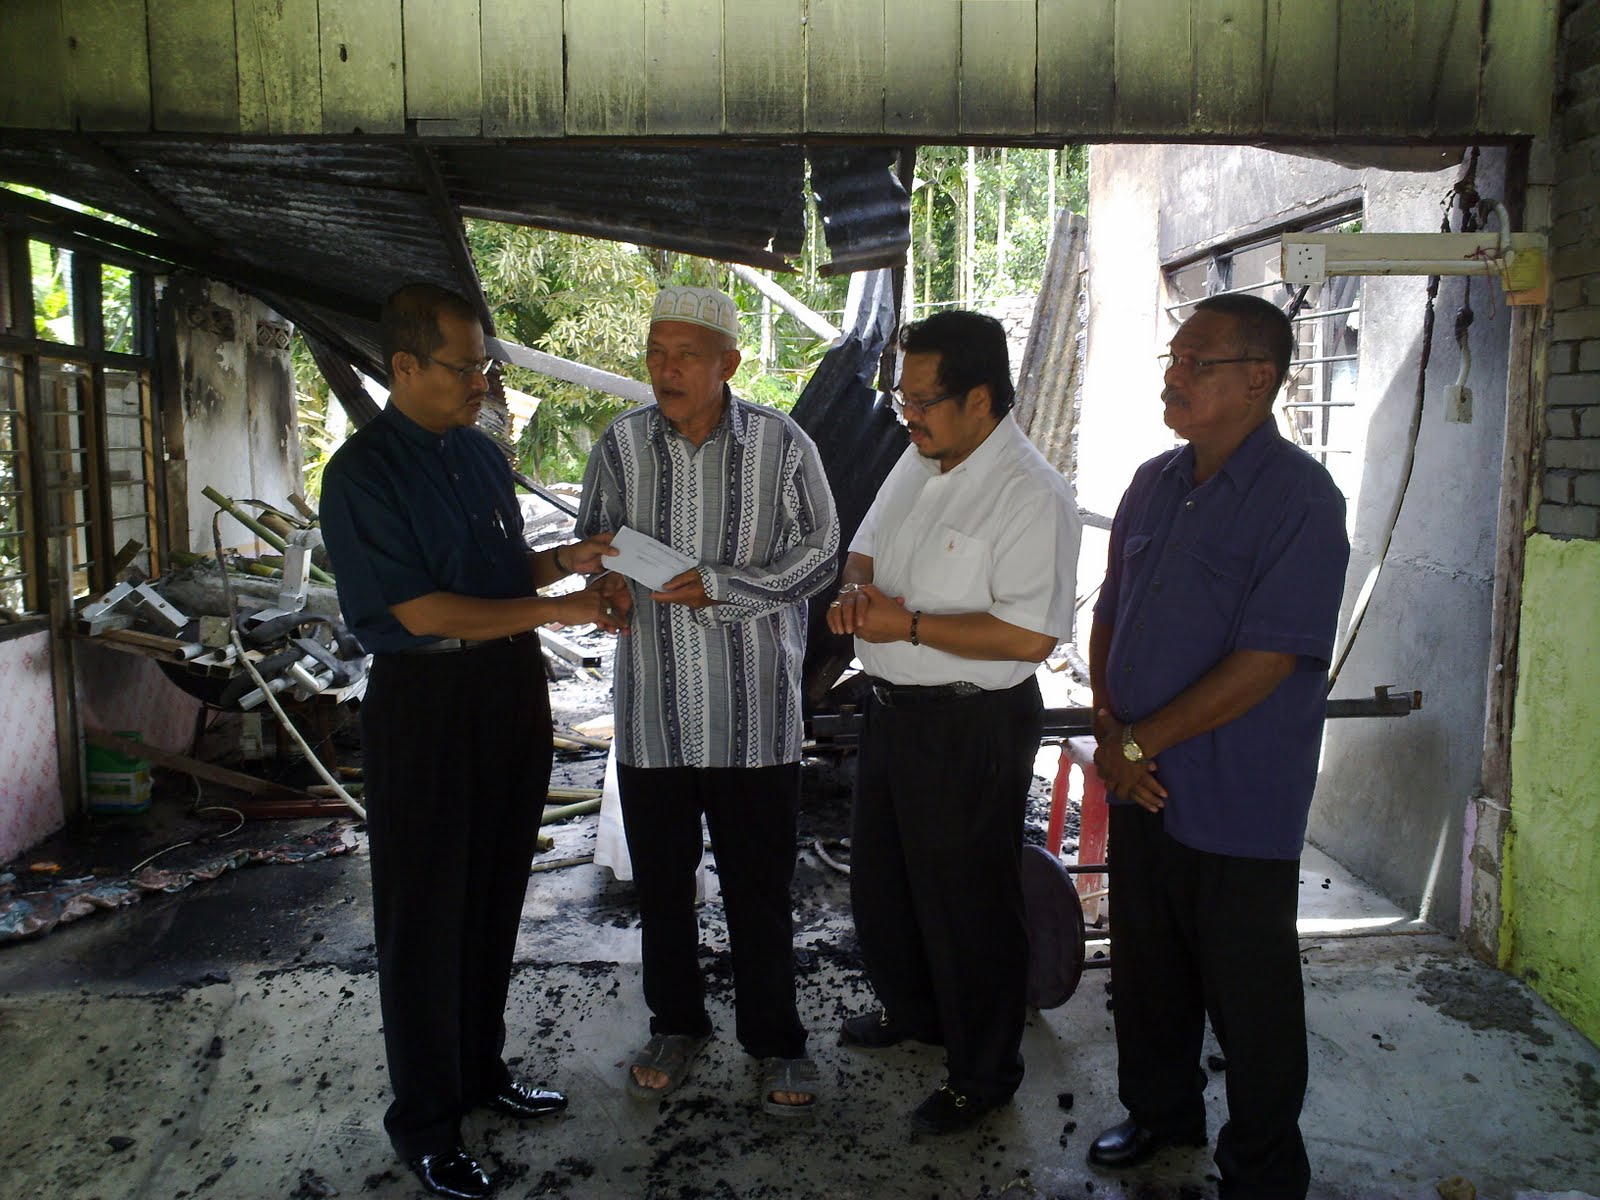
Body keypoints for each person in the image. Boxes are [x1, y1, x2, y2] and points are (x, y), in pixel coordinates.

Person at [319, 283, 621, 1200]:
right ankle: (427, 1122)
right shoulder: (363, 474)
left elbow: (496, 577)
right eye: (464, 367)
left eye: (484, 365)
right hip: (426, 701)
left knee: (492, 892)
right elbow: (421, 610)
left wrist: (566, 562)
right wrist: (562, 610)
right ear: (405, 366)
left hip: (505, 691)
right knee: (425, 916)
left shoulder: (482, 456)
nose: (481, 382)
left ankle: (480, 1070)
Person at [1085, 293, 1350, 1199]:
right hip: (1142, 777)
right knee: (1148, 970)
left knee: (1249, 992)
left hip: (1237, 792)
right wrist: (1110, 726)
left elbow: (1270, 658)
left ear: (1258, 380)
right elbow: (1112, 611)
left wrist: (1138, 743)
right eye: (1173, 359)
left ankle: (1263, 1169)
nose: (1175, 376)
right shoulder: (1154, 481)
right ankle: (1162, 1113)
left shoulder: (1301, 499)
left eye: (1197, 363)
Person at [575, 285, 839, 1116]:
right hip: (652, 716)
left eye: (685, 356)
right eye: (656, 353)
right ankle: (676, 1026)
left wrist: (724, 587)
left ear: (728, 363)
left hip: (752, 715)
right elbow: (595, 543)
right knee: (662, 890)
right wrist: (605, 586)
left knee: (760, 891)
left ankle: (776, 1041)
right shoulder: (620, 444)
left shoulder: (782, 443)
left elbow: (822, 552)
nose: (666, 370)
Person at [827, 309, 1080, 1134]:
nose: (908, 416)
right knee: (886, 883)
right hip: (892, 712)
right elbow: (865, 547)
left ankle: (983, 1072)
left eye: (923, 401)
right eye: (902, 400)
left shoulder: (1031, 494)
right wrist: (854, 592)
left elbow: (1029, 636)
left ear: (979, 398)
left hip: (973, 723)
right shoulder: (921, 455)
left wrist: (905, 624)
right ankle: (916, 1012)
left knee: (968, 904)